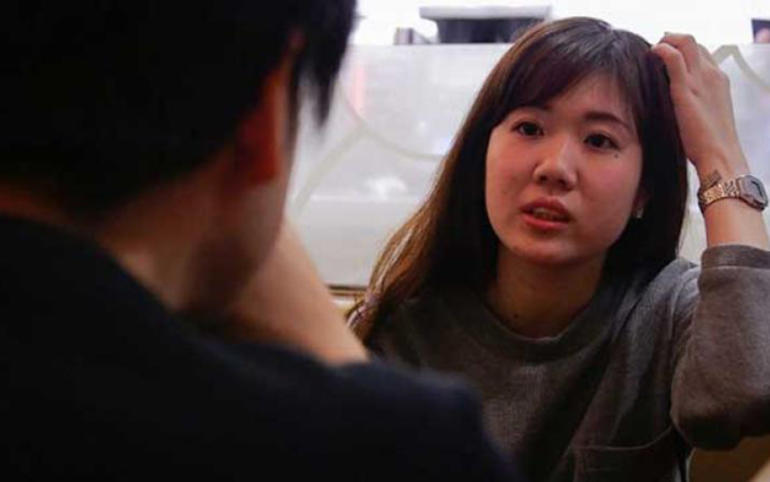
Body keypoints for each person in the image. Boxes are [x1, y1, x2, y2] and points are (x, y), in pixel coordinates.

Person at [1, 1, 521, 480]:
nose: (553, 169)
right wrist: (332, 352)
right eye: (527, 128)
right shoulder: (394, 449)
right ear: (263, 113)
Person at [350, 17, 770, 482]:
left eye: (599, 140)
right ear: (482, 152)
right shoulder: (404, 329)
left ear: (643, 192)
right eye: (530, 128)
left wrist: (721, 157)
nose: (555, 168)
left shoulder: (666, 308)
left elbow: (741, 392)